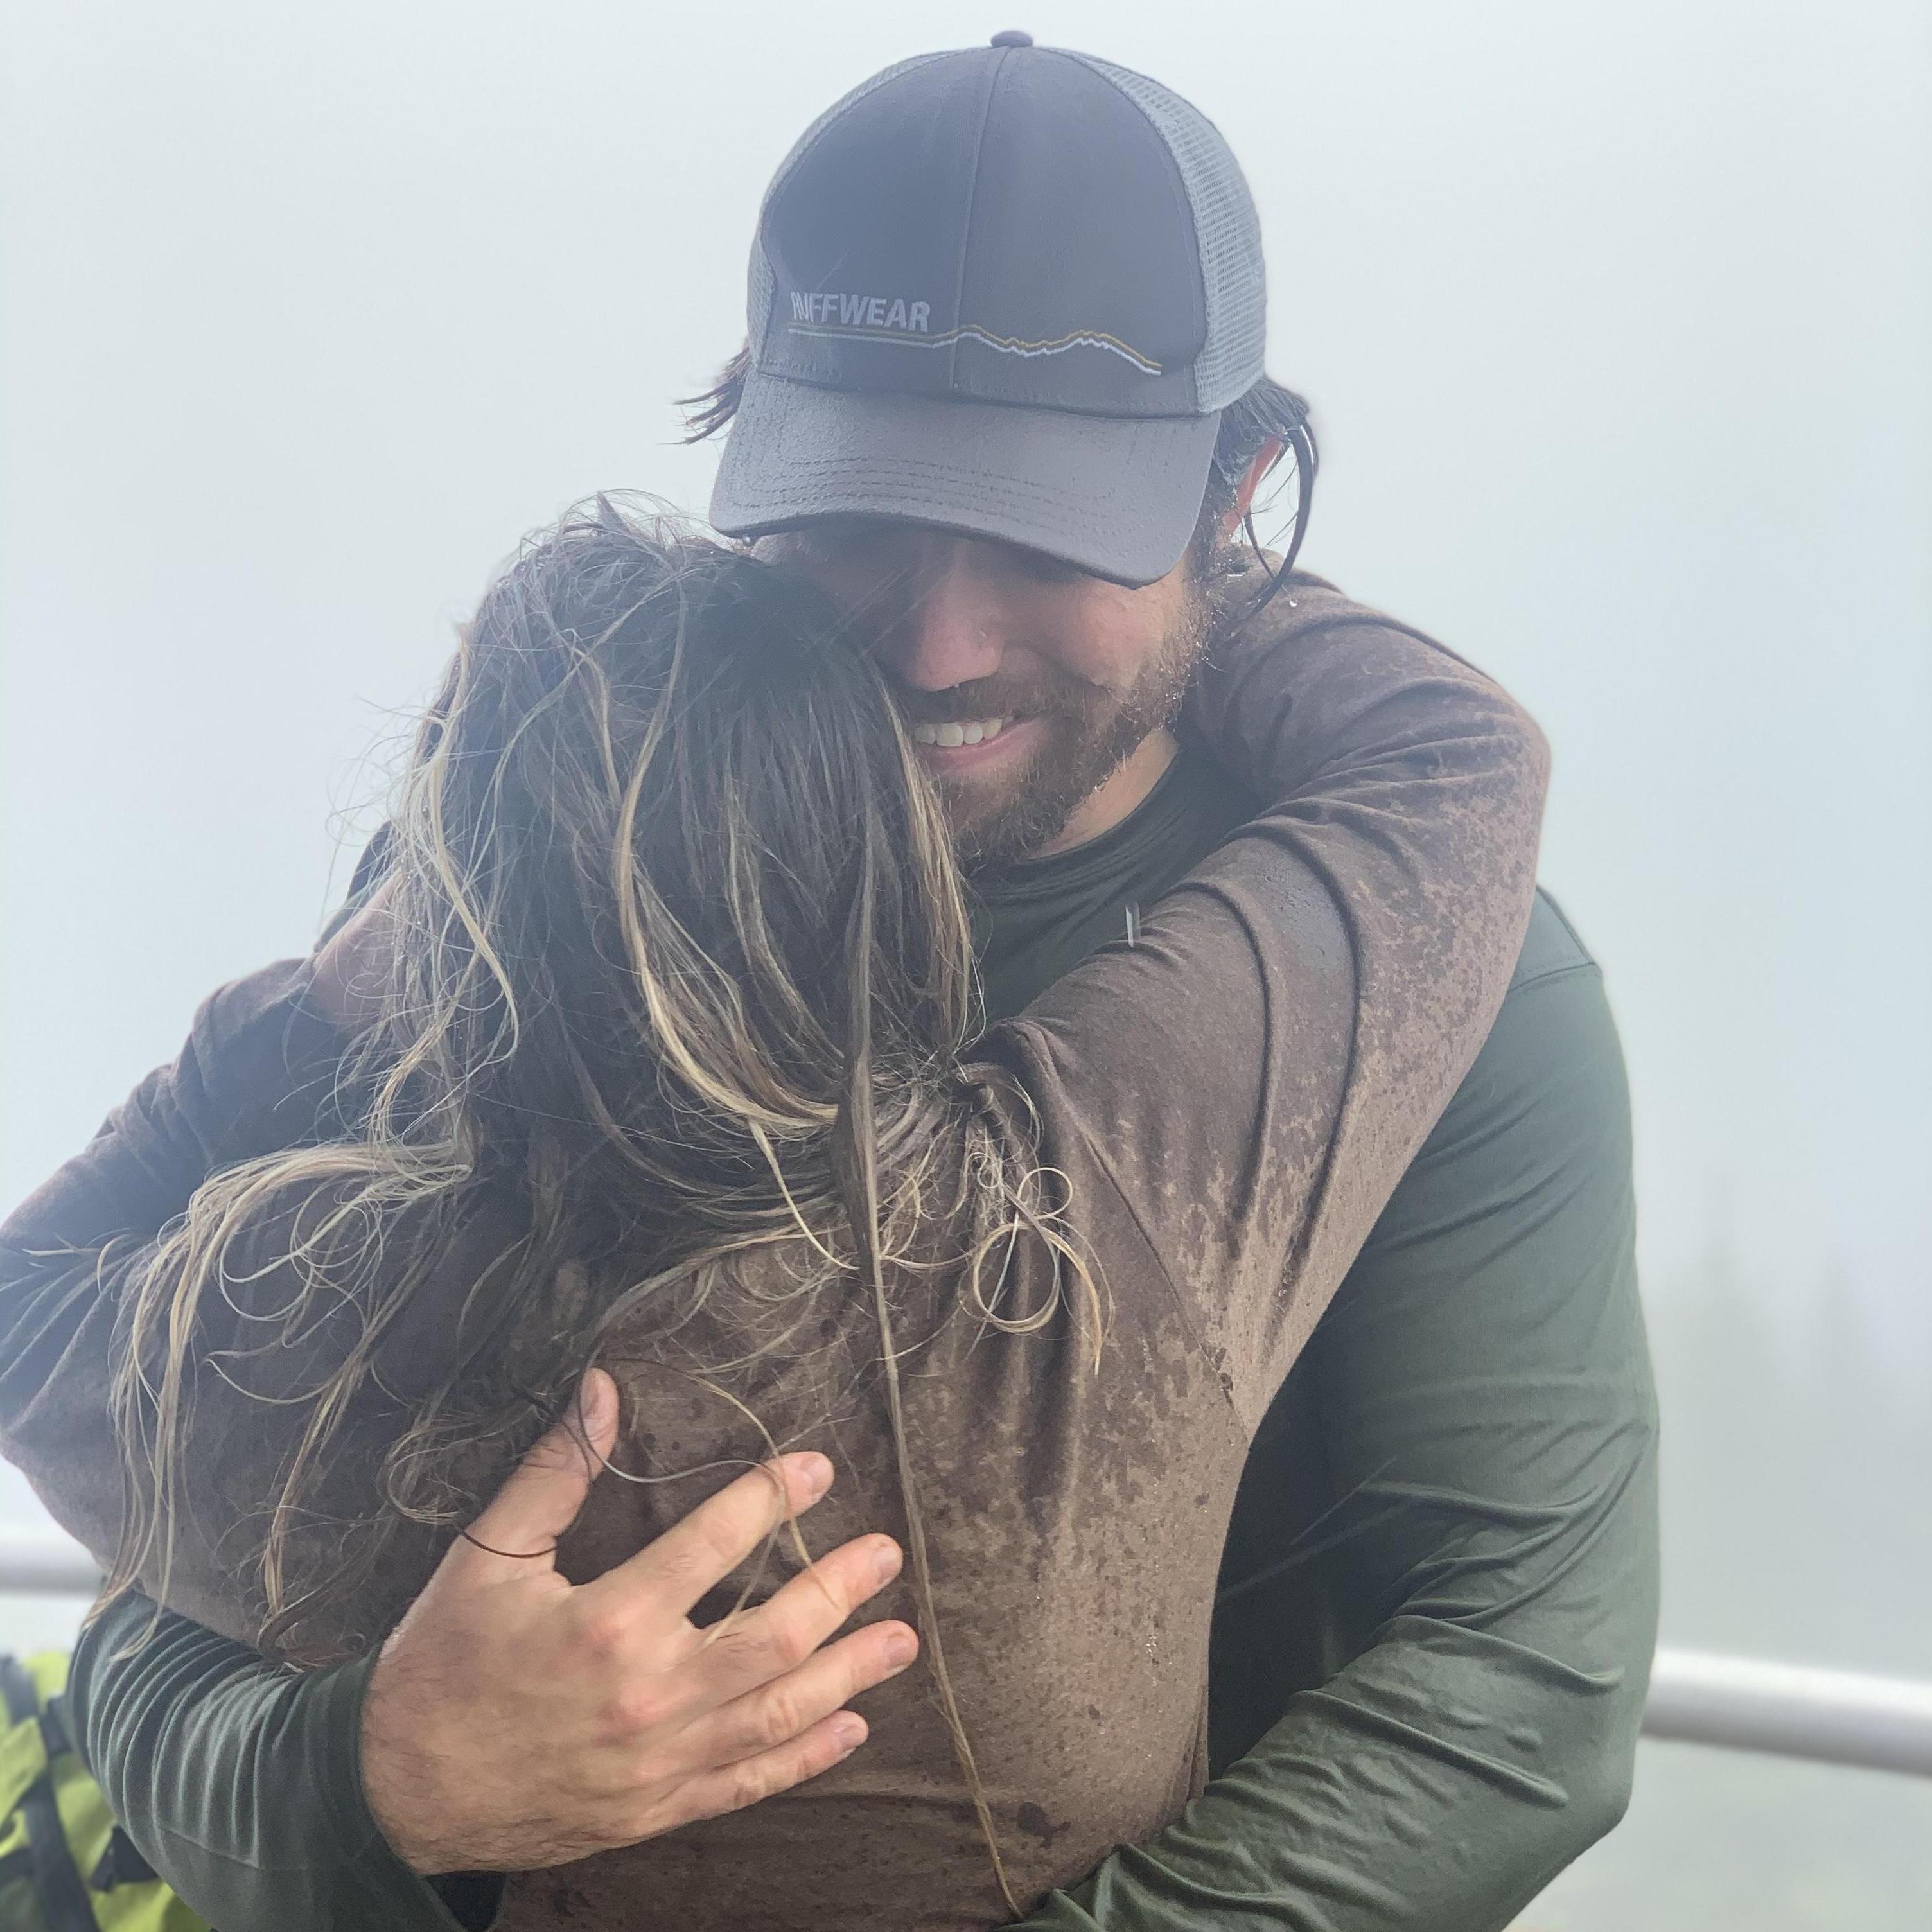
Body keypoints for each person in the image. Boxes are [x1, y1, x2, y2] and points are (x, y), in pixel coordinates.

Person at [0, 35, 1658, 1932]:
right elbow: (158, 1616)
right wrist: (372, 1774)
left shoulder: (1463, 988)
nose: (940, 639)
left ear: (1237, 491)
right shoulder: (539, 874)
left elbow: (1521, 1687)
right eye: (859, 516)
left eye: (1050, 534)